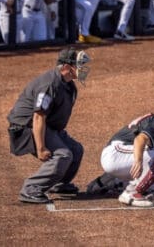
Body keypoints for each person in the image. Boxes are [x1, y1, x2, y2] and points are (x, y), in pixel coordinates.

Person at [7, 48, 91, 204]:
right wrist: (41, 147)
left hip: (45, 126)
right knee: (63, 155)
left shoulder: (69, 85)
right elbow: (38, 116)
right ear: (66, 67)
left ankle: (58, 183)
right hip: (26, 127)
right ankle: (31, 189)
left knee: (76, 149)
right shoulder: (50, 85)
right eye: (78, 65)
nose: (83, 69)